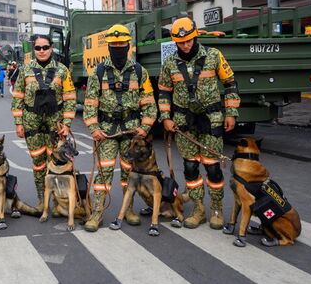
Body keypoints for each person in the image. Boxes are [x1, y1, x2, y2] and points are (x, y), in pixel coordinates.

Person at [158, 16, 240, 229]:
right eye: (181, 42)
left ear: (195, 37)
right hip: (183, 121)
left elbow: (230, 84)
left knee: (212, 167)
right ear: (175, 42)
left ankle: (216, 208)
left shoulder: (214, 56)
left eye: (189, 41)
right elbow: (164, 93)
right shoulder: (169, 64)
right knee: (190, 166)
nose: (185, 45)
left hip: (211, 118)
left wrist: (231, 113)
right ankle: (198, 209)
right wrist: (166, 118)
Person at [82, 24, 158, 232]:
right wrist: (94, 128)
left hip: (132, 132)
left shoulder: (140, 72)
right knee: (104, 174)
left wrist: (145, 127)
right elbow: (89, 105)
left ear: (128, 45)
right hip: (106, 131)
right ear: (108, 47)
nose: (117, 48)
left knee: (128, 174)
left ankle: (129, 210)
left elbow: (150, 103)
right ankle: (97, 213)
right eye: (113, 45)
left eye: (121, 44)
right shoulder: (97, 72)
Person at [11, 35, 76, 209]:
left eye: (45, 47)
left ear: (51, 48)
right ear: (34, 49)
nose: (41, 51)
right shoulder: (25, 70)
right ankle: (42, 200)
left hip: (56, 126)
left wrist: (67, 124)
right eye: (38, 48)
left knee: (56, 164)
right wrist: (18, 123)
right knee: (38, 164)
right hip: (32, 124)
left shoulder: (62, 70)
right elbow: (18, 97)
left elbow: (70, 98)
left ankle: (58, 202)